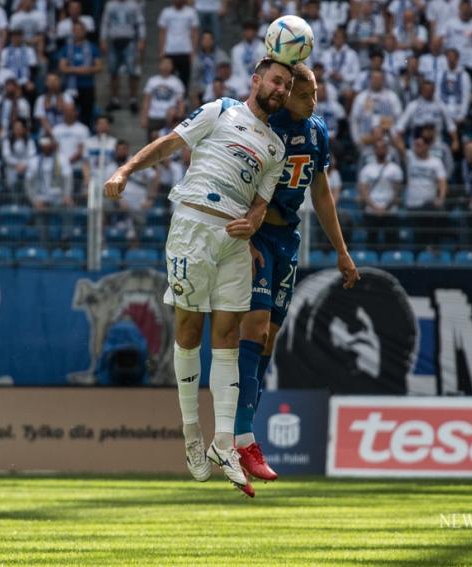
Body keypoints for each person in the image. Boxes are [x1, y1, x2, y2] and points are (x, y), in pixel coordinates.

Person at [104, 58, 293, 497]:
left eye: (286, 86)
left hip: (234, 241)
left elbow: (262, 203)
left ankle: (223, 442)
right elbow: (170, 143)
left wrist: (253, 223)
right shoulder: (221, 110)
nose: (281, 90)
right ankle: (192, 431)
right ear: (257, 80)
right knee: (189, 329)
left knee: (228, 333)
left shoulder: (277, 147)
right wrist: (125, 170)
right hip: (193, 227)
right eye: (276, 81)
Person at [236, 63, 359, 482]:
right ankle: (237, 436)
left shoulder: (317, 131)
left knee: (268, 337)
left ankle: (243, 426)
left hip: (288, 239)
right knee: (253, 326)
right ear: (285, 93)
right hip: (255, 239)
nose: (314, 102)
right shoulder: (261, 124)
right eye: (306, 95)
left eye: (316, 94)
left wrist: (341, 252)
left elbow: (320, 192)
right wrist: (246, 235)